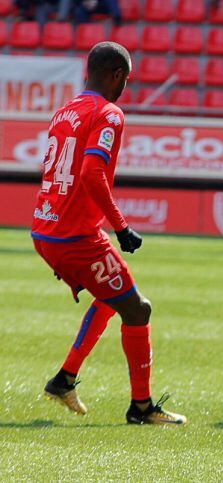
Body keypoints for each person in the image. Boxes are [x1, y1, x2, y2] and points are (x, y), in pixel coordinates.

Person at [32, 42, 185, 425]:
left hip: (46, 229)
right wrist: (121, 226)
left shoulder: (64, 111)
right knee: (138, 309)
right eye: (126, 79)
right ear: (117, 75)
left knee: (111, 297)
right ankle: (142, 407)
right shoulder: (109, 113)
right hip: (75, 236)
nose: (125, 87)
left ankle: (64, 379)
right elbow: (91, 173)